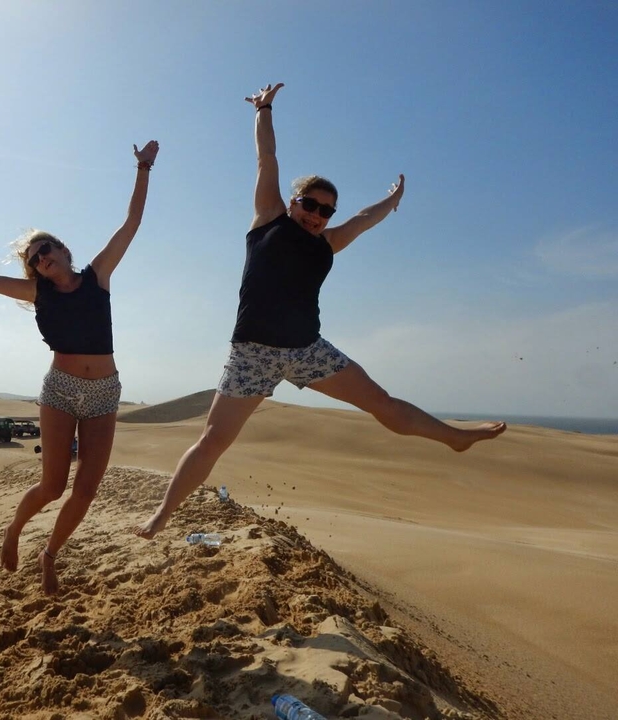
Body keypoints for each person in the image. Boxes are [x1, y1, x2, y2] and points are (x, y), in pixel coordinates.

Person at [134, 83, 505, 540]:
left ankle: (454, 437)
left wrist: (393, 201)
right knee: (213, 440)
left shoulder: (328, 243)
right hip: (252, 354)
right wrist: (264, 109)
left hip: (308, 349)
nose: (316, 214)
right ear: (294, 202)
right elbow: (266, 159)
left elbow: (364, 220)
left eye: (326, 210)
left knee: (381, 403)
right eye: (310, 204)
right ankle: (162, 515)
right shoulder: (268, 219)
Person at [0, 140, 160, 593]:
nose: (40, 258)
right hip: (61, 390)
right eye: (33, 259)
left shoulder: (98, 277)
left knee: (86, 490)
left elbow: (132, 224)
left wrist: (143, 167)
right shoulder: (38, 294)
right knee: (52, 486)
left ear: (62, 248)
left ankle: (49, 554)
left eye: (44, 249)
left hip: (105, 392)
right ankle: (14, 529)